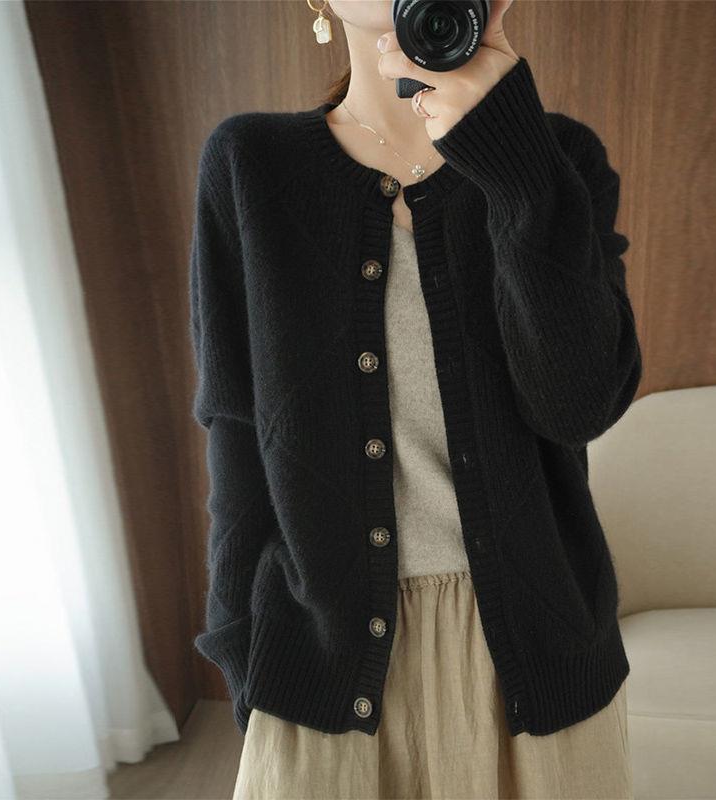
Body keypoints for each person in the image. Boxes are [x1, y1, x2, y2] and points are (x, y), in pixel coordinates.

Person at [188, 1, 642, 797]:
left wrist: (516, 166)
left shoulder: (558, 158)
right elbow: (236, 426)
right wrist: (238, 644)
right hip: (320, 647)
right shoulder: (249, 163)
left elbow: (577, 407)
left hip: (536, 652)